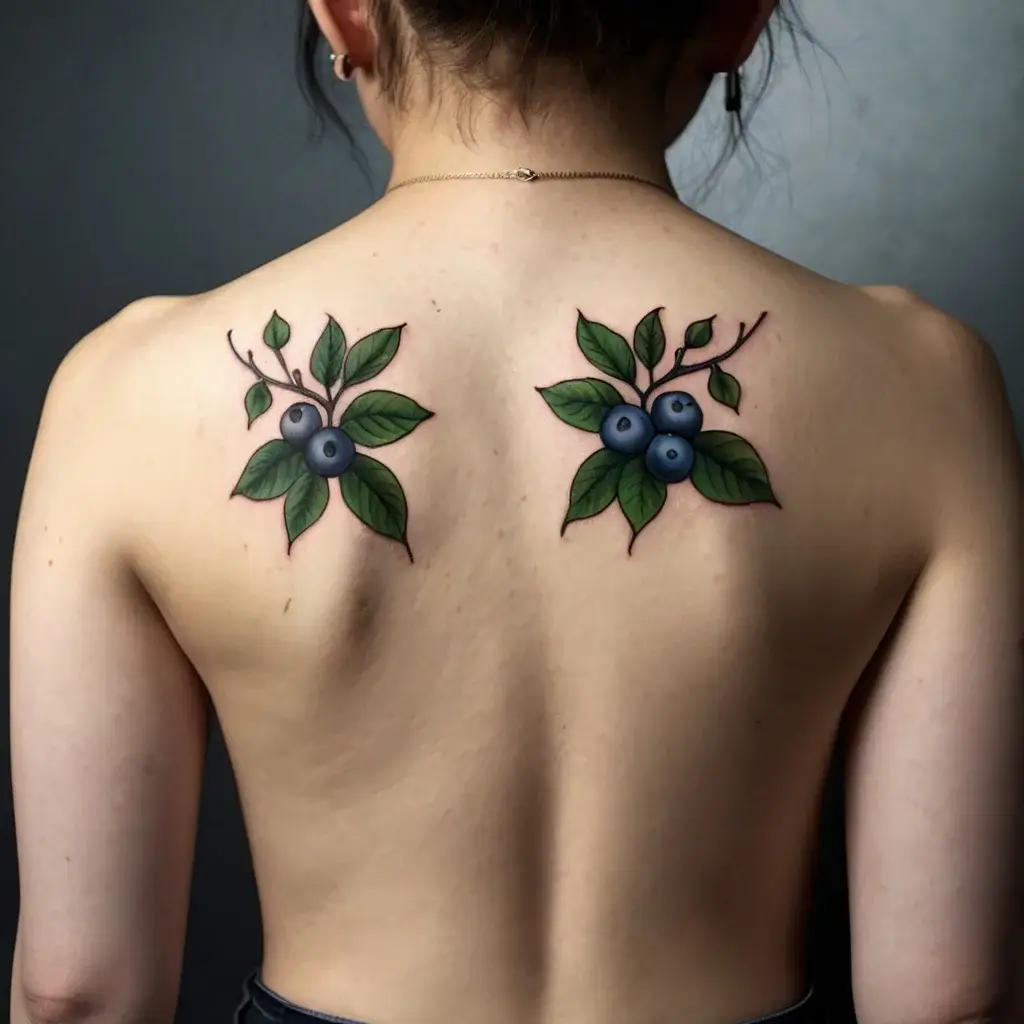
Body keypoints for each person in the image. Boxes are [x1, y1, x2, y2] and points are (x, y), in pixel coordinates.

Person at [8, 0, 1023, 1021]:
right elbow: (946, 998)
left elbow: (77, 993)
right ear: (735, 17)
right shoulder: (919, 385)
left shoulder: (130, 394)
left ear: (344, 14)